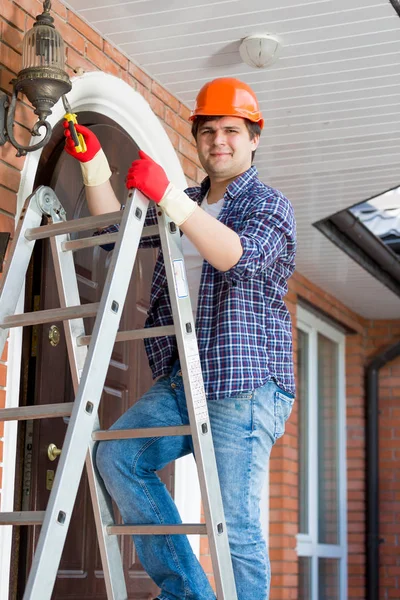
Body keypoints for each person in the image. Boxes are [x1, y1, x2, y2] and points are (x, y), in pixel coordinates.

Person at [64, 77, 296, 600]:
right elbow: (113, 235)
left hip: (244, 384)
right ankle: (189, 593)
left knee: (233, 525)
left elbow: (235, 257)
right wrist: (95, 166)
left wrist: (168, 196)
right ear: (197, 137)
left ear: (254, 137)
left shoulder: (268, 205)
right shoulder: (186, 201)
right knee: (117, 457)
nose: (219, 140)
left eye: (232, 130)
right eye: (208, 129)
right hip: (183, 380)